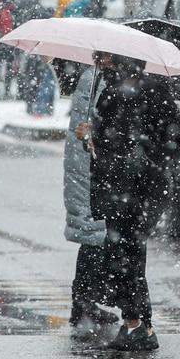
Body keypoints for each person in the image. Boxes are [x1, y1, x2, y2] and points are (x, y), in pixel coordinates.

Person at [89, 51, 180, 351]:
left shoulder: (147, 92)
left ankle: (136, 324)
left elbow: (178, 134)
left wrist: (143, 154)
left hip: (137, 188)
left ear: (121, 60)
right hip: (125, 185)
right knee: (126, 251)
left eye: (104, 58)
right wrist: (92, 139)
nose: (99, 63)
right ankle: (138, 323)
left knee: (126, 253)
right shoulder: (113, 92)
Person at [60, 61, 119, 334]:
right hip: (89, 167)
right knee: (93, 236)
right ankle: (83, 303)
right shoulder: (96, 79)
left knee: (95, 237)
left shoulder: (96, 77)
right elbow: (88, 124)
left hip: (90, 165)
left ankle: (87, 302)